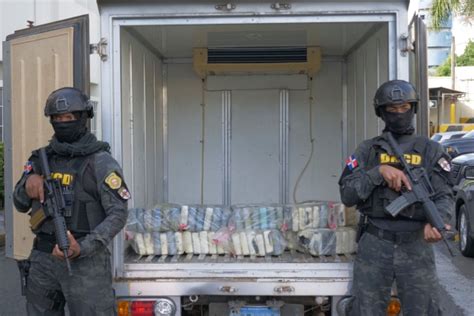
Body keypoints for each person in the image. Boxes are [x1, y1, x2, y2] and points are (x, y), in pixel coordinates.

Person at [338, 80, 453, 316]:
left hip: (416, 244)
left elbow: (444, 195)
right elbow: (347, 194)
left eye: (405, 108)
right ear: (381, 112)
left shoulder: (431, 150)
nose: (400, 114)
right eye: (392, 109)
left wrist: (438, 220)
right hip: (375, 242)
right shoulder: (368, 150)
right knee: (364, 310)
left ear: (413, 108)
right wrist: (377, 173)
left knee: (425, 310)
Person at [13, 87, 131, 315]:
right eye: (57, 118)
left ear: (83, 118)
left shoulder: (101, 162)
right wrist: (28, 185)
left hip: (86, 263)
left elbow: (118, 213)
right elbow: (19, 203)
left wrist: (83, 247)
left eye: (69, 117)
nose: (62, 122)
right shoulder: (40, 159)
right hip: (43, 259)